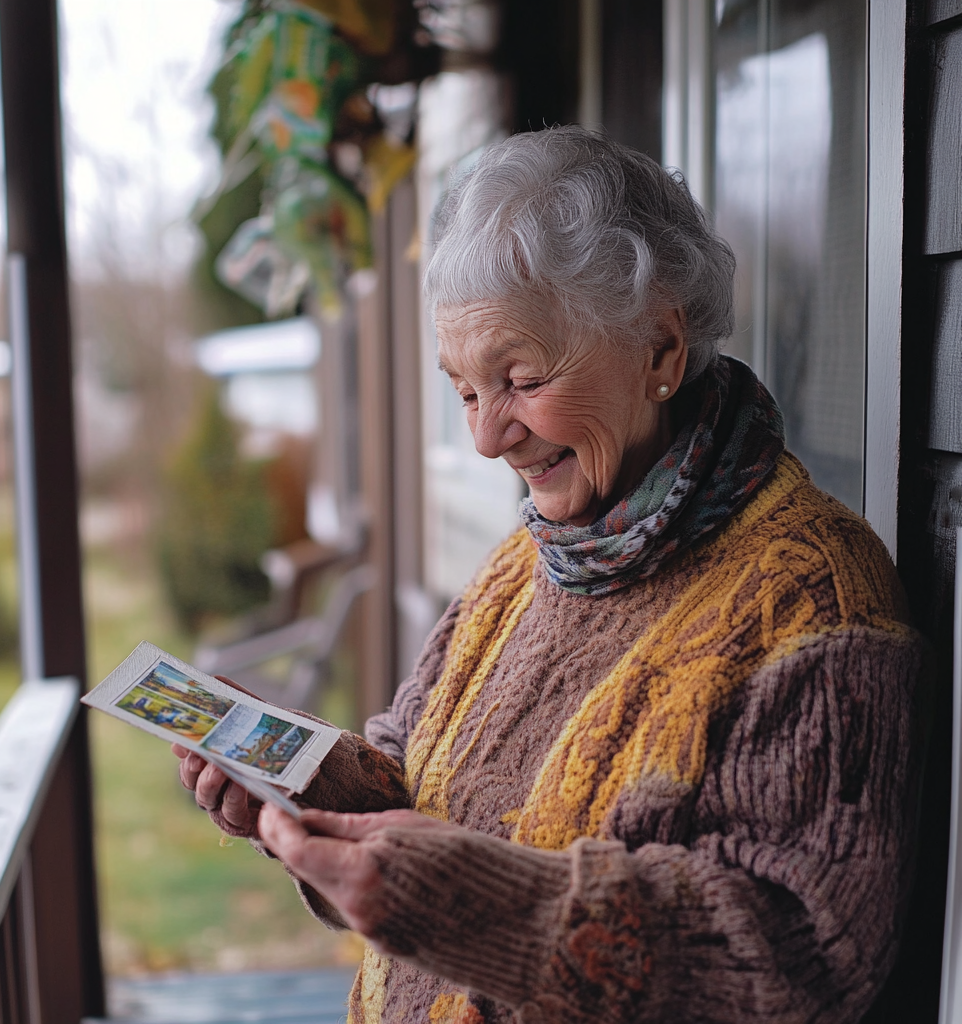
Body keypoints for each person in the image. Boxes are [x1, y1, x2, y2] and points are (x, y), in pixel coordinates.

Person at [173, 125, 925, 1023]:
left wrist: (463, 903)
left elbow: (794, 954)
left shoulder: (814, 600)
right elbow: (418, 788)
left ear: (660, 350)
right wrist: (294, 777)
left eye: (521, 379)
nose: (488, 437)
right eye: (464, 390)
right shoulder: (522, 566)